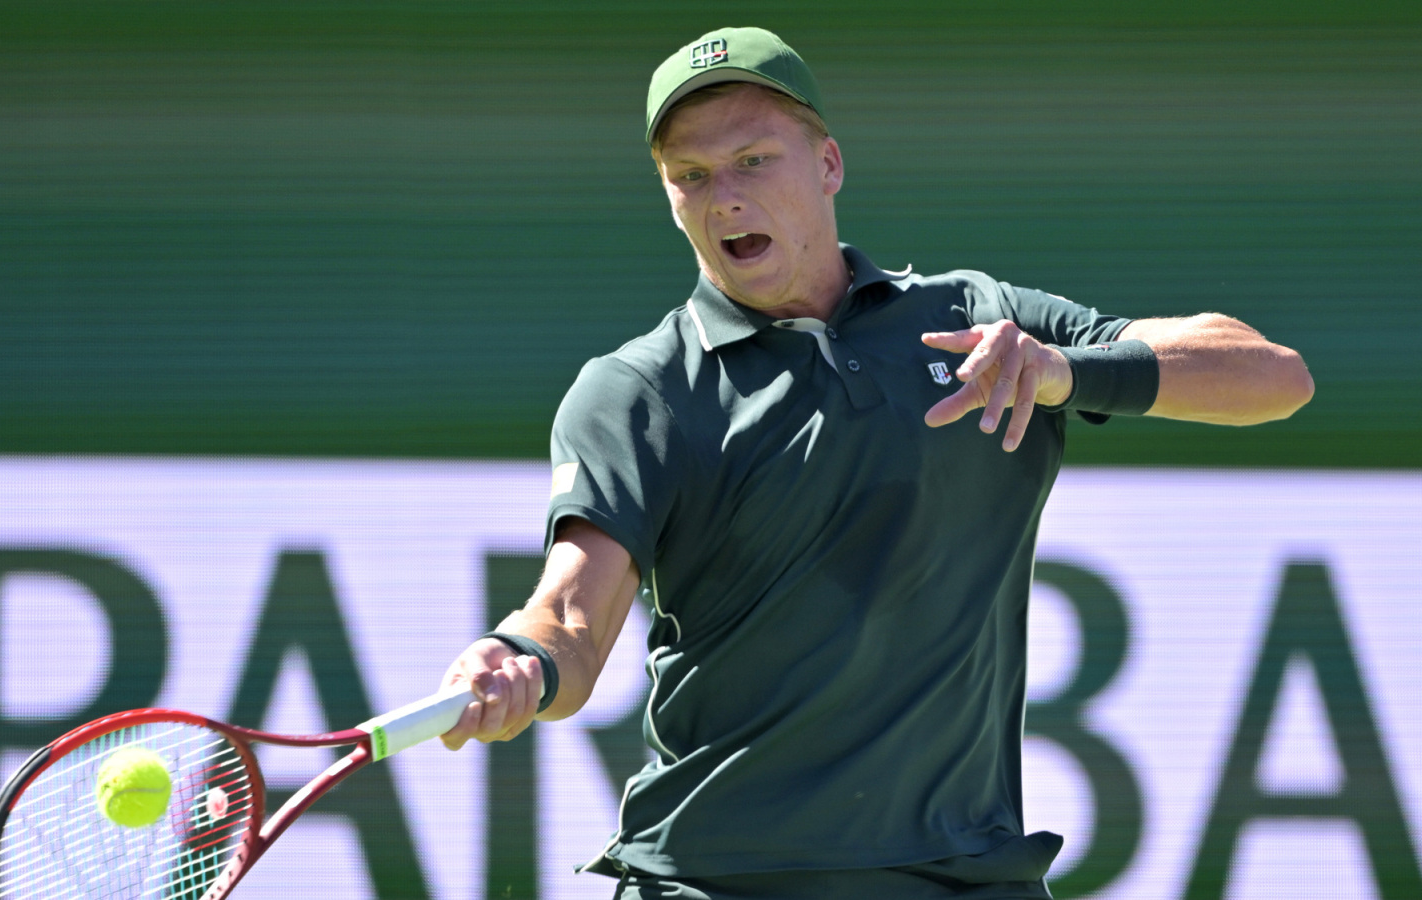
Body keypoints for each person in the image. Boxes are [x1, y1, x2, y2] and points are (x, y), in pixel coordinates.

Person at [436, 26, 1314, 900]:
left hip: (969, 877)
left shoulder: (978, 317)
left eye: (752, 161)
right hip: (720, 883)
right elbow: (571, 617)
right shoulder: (638, 391)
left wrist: (1062, 372)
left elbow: (1274, 378)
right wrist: (519, 659)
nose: (724, 199)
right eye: (690, 175)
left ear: (828, 165)